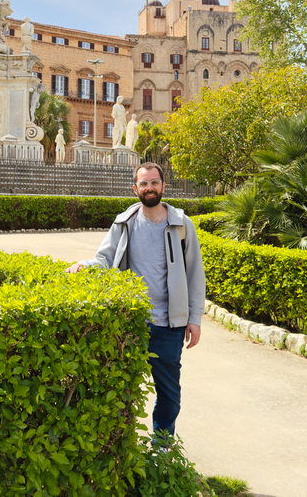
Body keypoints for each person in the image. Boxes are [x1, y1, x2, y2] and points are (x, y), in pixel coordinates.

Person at [66, 162, 205, 437]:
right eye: (144, 183)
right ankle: (121, 446)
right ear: (135, 189)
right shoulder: (124, 222)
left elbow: (194, 273)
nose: (149, 188)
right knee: (122, 386)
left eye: (154, 182)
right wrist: (86, 265)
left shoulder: (181, 224)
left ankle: (162, 445)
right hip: (131, 321)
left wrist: (195, 318)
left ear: (164, 187)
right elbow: (104, 258)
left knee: (169, 392)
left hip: (169, 324)